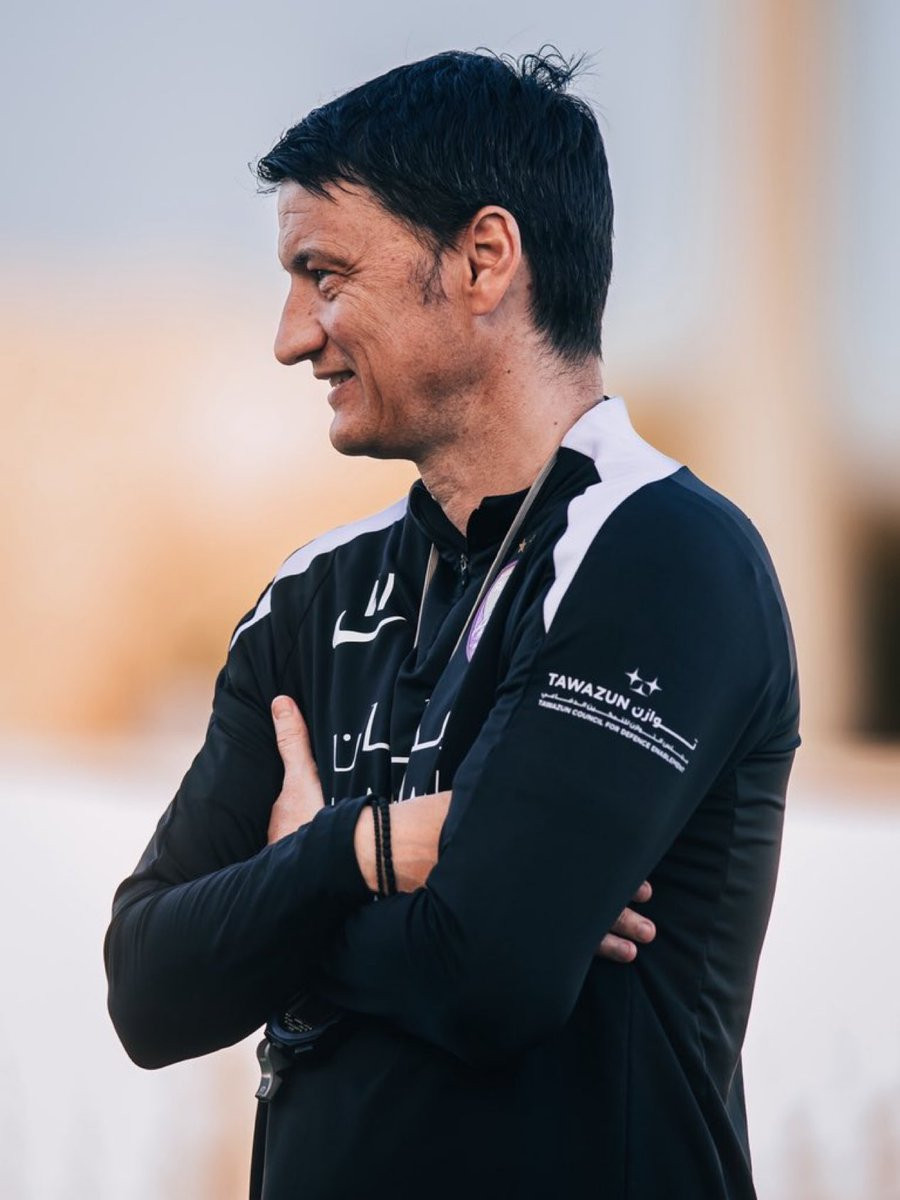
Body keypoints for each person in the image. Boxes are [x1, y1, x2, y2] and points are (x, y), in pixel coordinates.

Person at [103, 48, 800, 1199]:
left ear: (483, 260)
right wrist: (358, 854)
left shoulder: (666, 556)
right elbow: (149, 986)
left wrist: (278, 904)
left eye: (325, 274)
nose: (292, 335)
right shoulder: (313, 593)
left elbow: (492, 976)